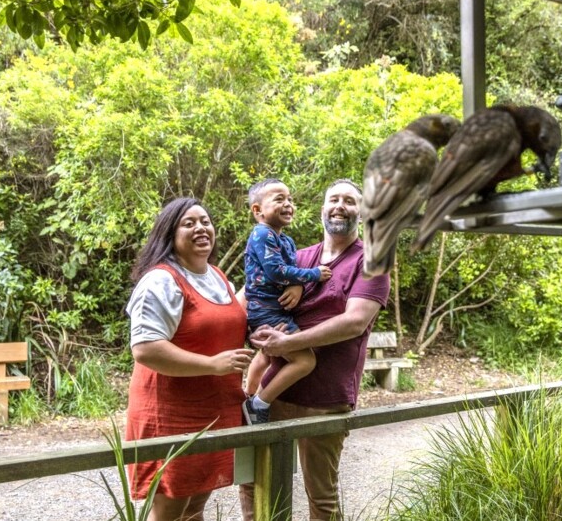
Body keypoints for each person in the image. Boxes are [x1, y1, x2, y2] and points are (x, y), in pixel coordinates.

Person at [240, 179, 391, 521]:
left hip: (324, 399)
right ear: (322, 210)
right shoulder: (299, 256)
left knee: (320, 495)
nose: (340, 205)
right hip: (274, 390)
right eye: (333, 199)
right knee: (255, 483)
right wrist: (251, 329)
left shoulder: (372, 261)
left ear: (362, 212)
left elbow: (354, 322)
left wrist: (288, 343)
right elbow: (251, 292)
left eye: (349, 201)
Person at [125, 197, 254, 521]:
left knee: (195, 507)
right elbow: (145, 347)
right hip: (171, 416)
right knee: (169, 511)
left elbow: (222, 322)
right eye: (189, 223)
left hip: (214, 411)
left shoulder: (218, 277)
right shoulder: (160, 280)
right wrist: (212, 364)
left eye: (206, 221)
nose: (201, 228)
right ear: (170, 233)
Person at [242, 178, 332, 425]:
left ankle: (248, 395)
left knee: (272, 357)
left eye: (290, 199)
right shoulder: (261, 233)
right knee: (305, 360)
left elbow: (289, 272)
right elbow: (276, 271)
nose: (288, 204)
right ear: (258, 211)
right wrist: (313, 274)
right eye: (279, 199)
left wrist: (299, 283)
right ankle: (257, 402)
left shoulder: (287, 241)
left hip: (278, 311)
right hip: (266, 312)